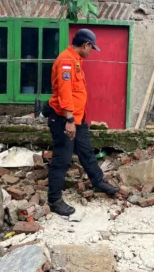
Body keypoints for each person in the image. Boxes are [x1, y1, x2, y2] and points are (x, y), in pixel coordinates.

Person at [47, 28, 119, 216]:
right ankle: (54, 200)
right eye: (91, 48)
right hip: (65, 119)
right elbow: (65, 93)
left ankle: (98, 181)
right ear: (86, 44)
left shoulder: (75, 60)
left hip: (77, 119)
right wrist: (69, 120)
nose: (91, 52)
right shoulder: (66, 61)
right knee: (62, 159)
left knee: (87, 152)